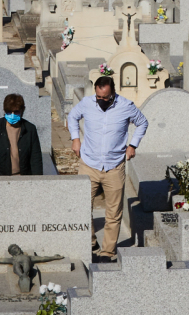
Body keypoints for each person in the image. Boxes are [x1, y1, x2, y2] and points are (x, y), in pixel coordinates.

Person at [67, 77, 148, 262]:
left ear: (113, 93)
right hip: (89, 163)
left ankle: (107, 252)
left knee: (113, 212)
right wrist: (75, 138)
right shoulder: (87, 103)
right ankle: (90, 242)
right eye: (98, 97)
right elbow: (72, 116)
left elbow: (142, 122)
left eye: (106, 98)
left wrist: (133, 145)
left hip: (114, 166)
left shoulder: (126, 106)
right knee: (81, 207)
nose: (102, 101)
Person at [0, 94, 45, 176]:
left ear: (22, 110)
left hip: (22, 177)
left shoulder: (30, 129)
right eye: (9, 112)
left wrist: (37, 180)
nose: (12, 115)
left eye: (16, 112)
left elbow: (36, 157)